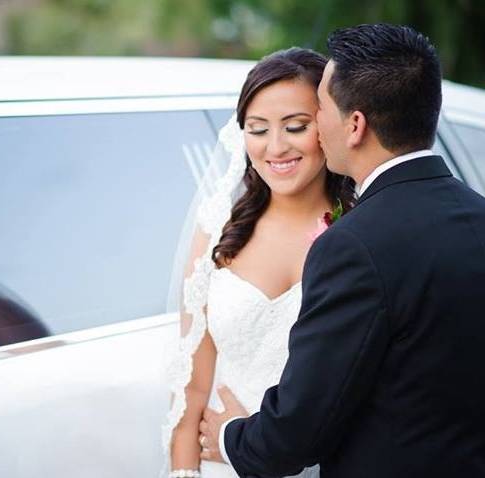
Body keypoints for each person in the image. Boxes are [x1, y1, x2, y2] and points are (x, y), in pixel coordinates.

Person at [199, 24, 485, 477]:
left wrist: (228, 436)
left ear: (355, 125)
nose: (318, 126)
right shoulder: (478, 215)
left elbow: (296, 434)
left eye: (321, 110)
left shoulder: (353, 245)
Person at [163, 48, 355, 478]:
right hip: (222, 466)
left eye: (295, 126)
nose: (276, 147)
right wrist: (184, 472)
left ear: (328, 125)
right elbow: (190, 385)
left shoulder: (362, 231)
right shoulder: (217, 230)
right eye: (258, 129)